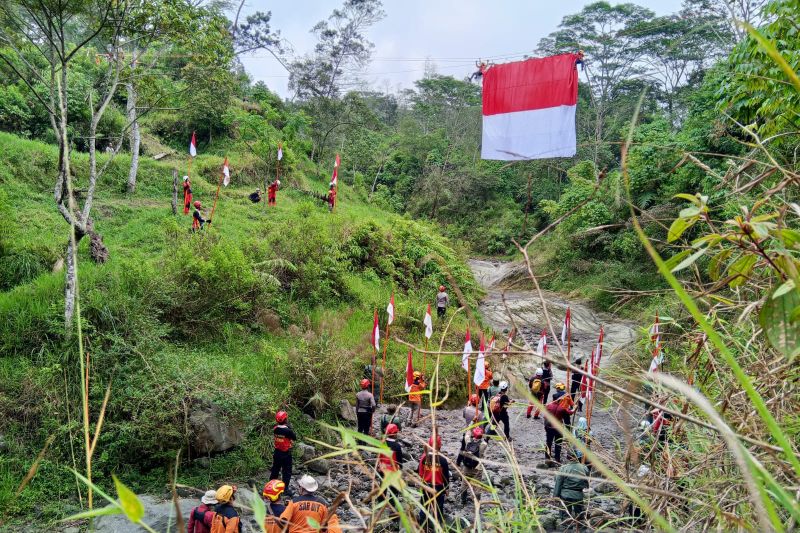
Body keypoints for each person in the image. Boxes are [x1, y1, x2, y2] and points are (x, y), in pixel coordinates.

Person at [418, 435, 450, 530]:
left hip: (426, 486)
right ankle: (437, 526)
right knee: (438, 508)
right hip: (438, 488)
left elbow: (420, 472)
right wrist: (447, 488)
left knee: (424, 505)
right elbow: (446, 476)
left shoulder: (424, 458)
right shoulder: (443, 460)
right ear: (440, 446)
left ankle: (423, 526)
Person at [553, 450, 589, 526]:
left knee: (565, 516)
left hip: (565, 495)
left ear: (567, 457)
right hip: (578, 495)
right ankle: (579, 528)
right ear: (578, 457)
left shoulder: (563, 468)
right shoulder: (584, 468)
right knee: (580, 517)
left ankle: (568, 528)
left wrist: (555, 496)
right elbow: (587, 482)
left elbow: (558, 484)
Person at [458, 427, 488, 504]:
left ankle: (463, 501)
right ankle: (477, 502)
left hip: (466, 467)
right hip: (477, 468)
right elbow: (485, 440)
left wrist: (472, 423)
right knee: (477, 486)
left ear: (473, 434)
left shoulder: (468, 441)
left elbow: (467, 432)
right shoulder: (484, 444)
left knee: (464, 484)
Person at [377, 423, 405, 504]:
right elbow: (399, 460)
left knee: (383, 486)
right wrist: (401, 469)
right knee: (394, 488)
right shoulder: (397, 446)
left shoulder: (382, 443)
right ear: (395, 434)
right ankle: (392, 504)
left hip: (383, 469)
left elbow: (379, 456)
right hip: (393, 470)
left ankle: (380, 502)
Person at [544, 395, 576, 464]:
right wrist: (574, 408)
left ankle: (547, 457)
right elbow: (570, 413)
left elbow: (545, 415)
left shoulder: (548, 406)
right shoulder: (562, 408)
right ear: (560, 400)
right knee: (558, 443)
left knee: (548, 442)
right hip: (558, 428)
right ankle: (557, 458)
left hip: (548, 427)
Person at [270, 411, 297, 491]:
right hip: (285, 454)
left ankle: (270, 486)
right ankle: (285, 489)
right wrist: (289, 428)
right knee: (287, 471)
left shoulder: (275, 429)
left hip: (277, 452)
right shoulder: (288, 431)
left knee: (275, 469)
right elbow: (294, 437)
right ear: (285, 419)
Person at [457, 394, 484, 466]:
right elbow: (481, 426)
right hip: (475, 435)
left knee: (463, 448)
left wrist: (468, 406)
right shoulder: (479, 413)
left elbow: (464, 416)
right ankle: (472, 464)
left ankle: (458, 462)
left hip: (467, 431)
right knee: (473, 450)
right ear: (478, 402)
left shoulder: (466, 409)